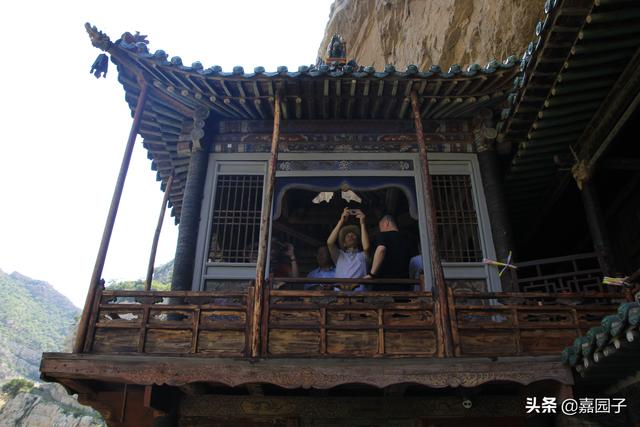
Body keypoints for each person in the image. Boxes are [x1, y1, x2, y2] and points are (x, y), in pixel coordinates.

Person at [365, 214, 411, 290]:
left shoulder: (383, 235)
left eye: (380, 227)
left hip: (383, 286)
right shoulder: (408, 239)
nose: (380, 230)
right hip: (404, 286)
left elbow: (381, 249)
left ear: (386, 223)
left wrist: (371, 274)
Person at [327, 208, 370, 290]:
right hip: (339, 296)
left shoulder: (362, 255)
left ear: (358, 241)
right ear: (344, 243)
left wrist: (362, 223)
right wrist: (341, 221)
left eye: (354, 235)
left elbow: (366, 247)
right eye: (347, 236)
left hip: (358, 296)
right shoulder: (339, 255)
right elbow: (330, 243)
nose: (351, 236)